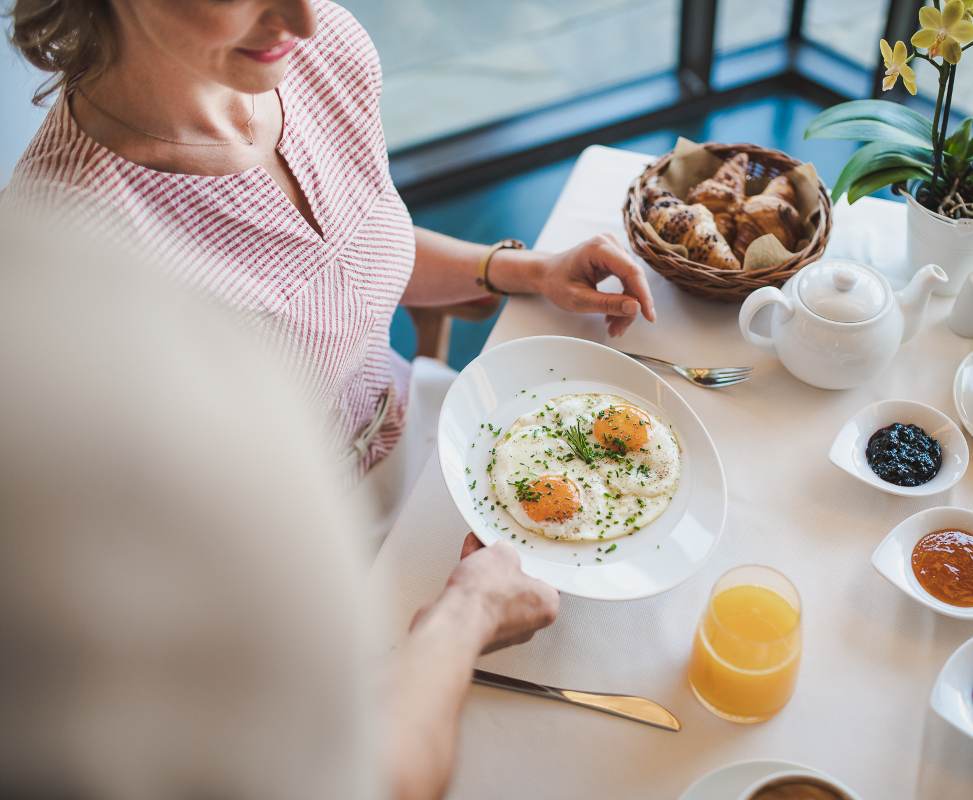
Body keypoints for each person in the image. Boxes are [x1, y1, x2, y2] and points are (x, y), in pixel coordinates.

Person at [2, 0, 657, 542]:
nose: (303, 20)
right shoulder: (64, 252)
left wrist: (523, 271)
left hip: (422, 432)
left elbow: (342, 258)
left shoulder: (322, 54)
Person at [0, 215, 560, 800]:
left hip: (406, 424)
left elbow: (352, 249)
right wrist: (468, 611)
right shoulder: (71, 267)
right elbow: (366, 774)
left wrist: (506, 267)